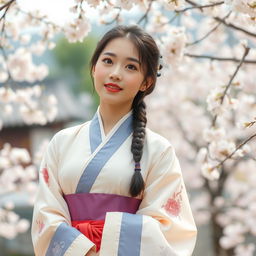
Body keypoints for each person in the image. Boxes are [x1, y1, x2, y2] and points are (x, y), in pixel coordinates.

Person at [31, 25, 197, 256]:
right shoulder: (61, 142)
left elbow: (169, 227)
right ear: (94, 67)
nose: (115, 73)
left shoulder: (159, 150)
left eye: (130, 66)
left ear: (146, 82)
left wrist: (106, 242)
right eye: (108, 61)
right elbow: (46, 214)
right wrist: (84, 251)